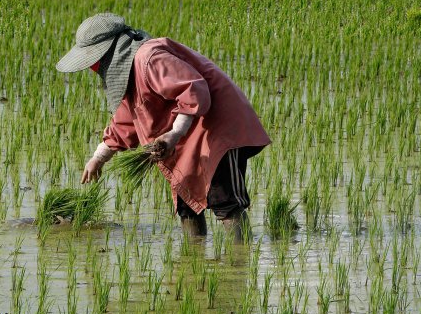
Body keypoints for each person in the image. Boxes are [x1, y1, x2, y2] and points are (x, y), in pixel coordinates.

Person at [56, 13, 271, 240]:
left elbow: (194, 91)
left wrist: (175, 133)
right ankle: (192, 263)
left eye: (93, 60)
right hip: (186, 138)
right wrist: (98, 157)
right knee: (186, 204)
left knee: (226, 201)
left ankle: (239, 265)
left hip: (216, 128)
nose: (93, 67)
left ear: (109, 51)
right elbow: (125, 120)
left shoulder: (150, 59)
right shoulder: (130, 74)